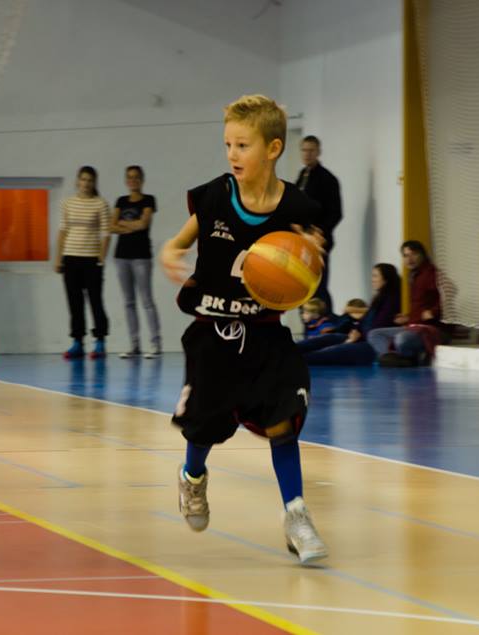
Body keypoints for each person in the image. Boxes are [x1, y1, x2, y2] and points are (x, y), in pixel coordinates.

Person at [160, 94, 328, 565]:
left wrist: (309, 257)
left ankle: (296, 514)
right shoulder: (215, 196)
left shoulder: (296, 206)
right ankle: (193, 477)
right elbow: (177, 242)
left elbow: (309, 260)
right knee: (205, 427)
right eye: (228, 144)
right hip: (212, 333)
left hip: (266, 332)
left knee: (282, 419)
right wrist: (171, 254)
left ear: (273, 148)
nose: (232, 154)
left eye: (243, 145)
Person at [54, 166, 111, 359]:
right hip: (71, 259)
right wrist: (58, 258)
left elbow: (106, 233)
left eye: (90, 180)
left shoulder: (100, 204)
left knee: (96, 301)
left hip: (92, 260)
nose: (86, 183)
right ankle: (77, 342)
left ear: (94, 183)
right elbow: (63, 231)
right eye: (83, 179)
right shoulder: (67, 203)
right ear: (78, 181)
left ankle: (100, 341)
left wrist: (101, 257)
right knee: (74, 302)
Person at [300, 264, 402, 366]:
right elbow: (365, 321)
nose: (372, 280)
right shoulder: (378, 298)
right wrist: (355, 331)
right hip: (360, 338)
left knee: (324, 354)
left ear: (386, 279)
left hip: (370, 345)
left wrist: (357, 337)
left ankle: (295, 360)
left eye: (375, 276)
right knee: (326, 338)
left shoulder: (391, 300)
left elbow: (378, 326)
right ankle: (292, 349)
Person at [111, 165, 162, 358]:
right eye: (130, 177)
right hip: (121, 257)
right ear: (126, 180)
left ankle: (155, 344)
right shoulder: (121, 201)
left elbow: (144, 224)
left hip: (141, 257)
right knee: (129, 302)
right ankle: (134, 345)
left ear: (142, 180)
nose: (133, 180)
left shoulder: (148, 200)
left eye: (136, 177)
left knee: (147, 301)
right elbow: (111, 226)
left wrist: (122, 224)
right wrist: (131, 225)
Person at [367, 241, 442, 367]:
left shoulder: (432, 274)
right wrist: (408, 317)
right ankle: (392, 358)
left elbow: (450, 294)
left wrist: (434, 311)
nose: (409, 259)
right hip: (413, 326)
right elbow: (420, 307)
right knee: (374, 334)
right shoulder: (413, 276)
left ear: (423, 255)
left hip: (429, 329)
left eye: (414, 254)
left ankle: (401, 360)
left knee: (401, 338)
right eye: (406, 255)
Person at [296, 135, 341, 314]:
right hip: (301, 240)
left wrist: (319, 231)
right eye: (304, 150)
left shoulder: (328, 179)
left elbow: (336, 213)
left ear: (318, 152)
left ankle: (325, 322)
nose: (307, 154)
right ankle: (308, 322)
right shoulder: (302, 175)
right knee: (302, 285)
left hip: (318, 242)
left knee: (318, 287)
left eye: (311, 150)